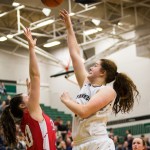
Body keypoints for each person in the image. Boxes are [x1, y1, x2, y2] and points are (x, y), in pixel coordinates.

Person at [59, 9, 139, 150]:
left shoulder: (108, 91)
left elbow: (84, 111)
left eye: (95, 65)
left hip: (97, 143)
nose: (90, 67)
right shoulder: (86, 84)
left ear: (102, 72)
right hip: (79, 144)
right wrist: (69, 27)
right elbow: (75, 55)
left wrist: (67, 101)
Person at [0, 28, 56, 150]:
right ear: (22, 105)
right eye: (26, 95)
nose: (29, 95)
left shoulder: (27, 118)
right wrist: (31, 48)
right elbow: (35, 75)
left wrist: (29, 91)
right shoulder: (32, 111)